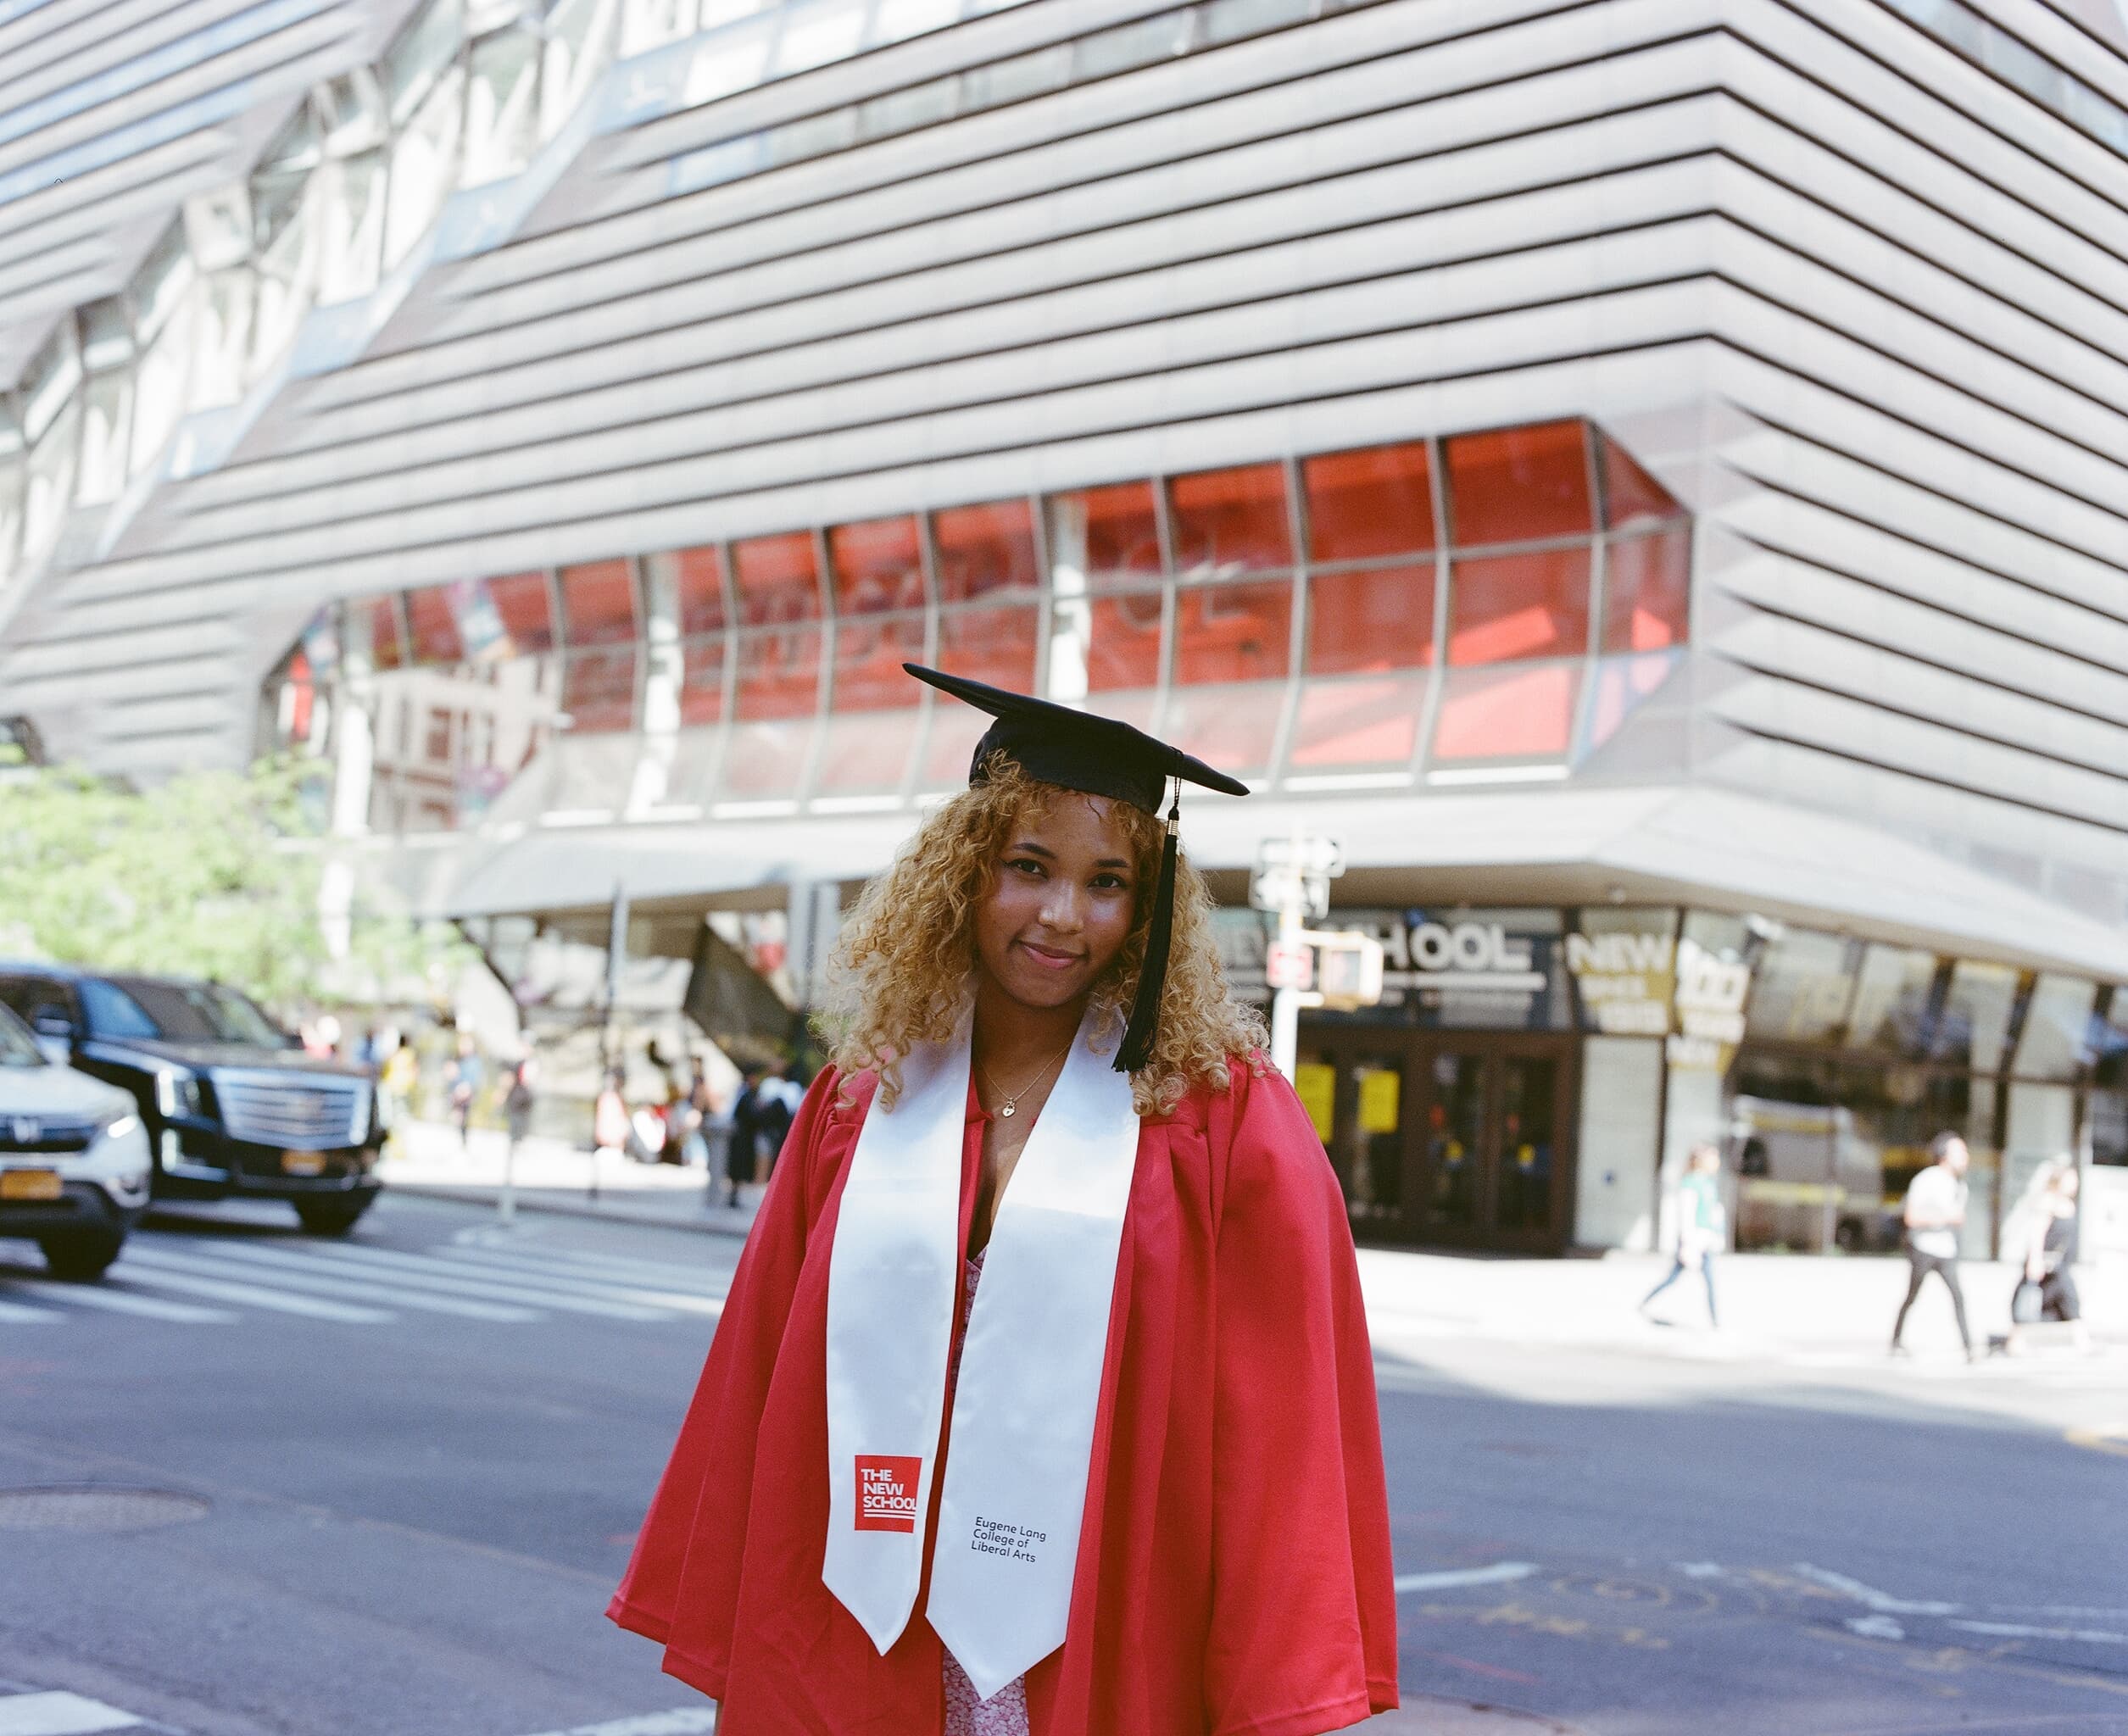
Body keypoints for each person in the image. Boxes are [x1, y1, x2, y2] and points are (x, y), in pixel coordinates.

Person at [610, 664, 1396, 1735]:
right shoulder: (868, 1096)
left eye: (1108, 881)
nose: (1063, 915)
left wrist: (1266, 1669)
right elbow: (763, 1376)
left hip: (1096, 1609)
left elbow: (1279, 1432)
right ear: (965, 871)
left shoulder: (1220, 1116)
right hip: (879, 1605)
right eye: (1028, 866)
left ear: (1149, 900)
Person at [1891, 1131, 1975, 1360]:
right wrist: (1944, 1218)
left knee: (1958, 1296)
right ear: (1945, 1155)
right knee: (1912, 1295)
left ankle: (1969, 1346)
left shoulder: (1959, 1186)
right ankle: (1896, 1340)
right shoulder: (1927, 1180)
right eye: (1960, 1152)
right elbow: (1911, 1217)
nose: (1965, 1157)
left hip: (1946, 1249)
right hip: (1924, 1247)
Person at [1641, 1143, 1724, 1327]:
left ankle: (1715, 1321)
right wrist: (1688, 1245)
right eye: (1713, 1157)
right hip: (1693, 1240)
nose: (1717, 1162)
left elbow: (1712, 1213)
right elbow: (1687, 1215)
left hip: (1705, 1240)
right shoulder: (1691, 1183)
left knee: (1709, 1281)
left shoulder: (1709, 1184)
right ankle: (1644, 1304)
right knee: (1674, 1277)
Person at [2008, 1160, 2086, 1354]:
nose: (2074, 1184)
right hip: (2043, 1261)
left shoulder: (2069, 1204)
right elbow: (2037, 1233)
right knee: (2027, 1298)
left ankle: (2081, 1339)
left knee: (2069, 1299)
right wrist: (2034, 1259)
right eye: (2070, 1179)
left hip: (2059, 1265)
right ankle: (2015, 1340)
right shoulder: (2048, 1201)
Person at [722, 1063, 768, 1209]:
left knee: (738, 1170)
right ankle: (732, 1197)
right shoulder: (746, 1095)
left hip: (743, 1137)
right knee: (737, 1168)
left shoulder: (746, 1094)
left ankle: (734, 1197)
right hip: (741, 1138)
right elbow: (750, 1116)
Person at [446, 1033, 485, 1149]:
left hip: (465, 1096)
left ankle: (463, 1145)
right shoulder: (458, 1059)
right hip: (456, 1095)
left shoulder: (474, 1061)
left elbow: (473, 1081)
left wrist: (465, 1088)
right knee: (457, 1120)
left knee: (461, 1121)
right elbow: (452, 1076)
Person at [504, 1053, 538, 1157]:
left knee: (522, 1120)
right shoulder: (518, 1063)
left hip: (526, 1097)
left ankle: (519, 1141)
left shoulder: (532, 1063)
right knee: (515, 1121)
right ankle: (515, 1141)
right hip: (518, 1096)